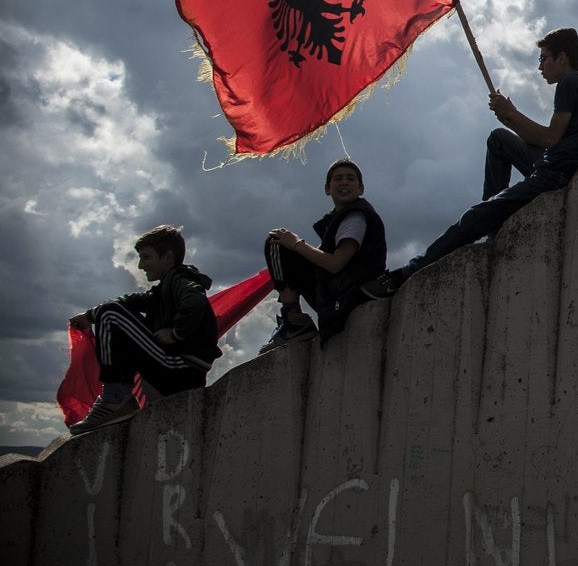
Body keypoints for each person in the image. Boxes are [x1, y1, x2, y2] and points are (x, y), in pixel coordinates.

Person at [364, 27, 578, 298]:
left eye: (543, 59)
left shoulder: (569, 83)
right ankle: (493, 219)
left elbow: (549, 139)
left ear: (562, 58)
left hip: (556, 174)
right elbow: (545, 141)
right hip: (557, 164)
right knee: (499, 139)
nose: (540, 66)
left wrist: (512, 112)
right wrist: (509, 119)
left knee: (473, 218)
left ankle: (405, 275)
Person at [66, 225, 221, 435]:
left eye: (146, 257)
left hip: (181, 370)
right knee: (111, 311)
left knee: (111, 314)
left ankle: (115, 398)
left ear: (167, 258)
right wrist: (90, 315)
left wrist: (176, 333)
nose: (141, 265)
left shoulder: (181, 281)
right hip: (175, 367)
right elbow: (132, 301)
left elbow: (195, 301)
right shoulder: (164, 289)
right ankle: (118, 396)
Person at [258, 158, 387, 352]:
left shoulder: (356, 217)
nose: (344, 182)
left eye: (350, 179)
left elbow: (335, 264)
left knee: (276, 243)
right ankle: (293, 318)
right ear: (327, 189)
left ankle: (294, 320)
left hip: (346, 295)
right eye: (338, 179)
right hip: (339, 292)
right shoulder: (338, 219)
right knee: (279, 242)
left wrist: (296, 244)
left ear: (361, 189)